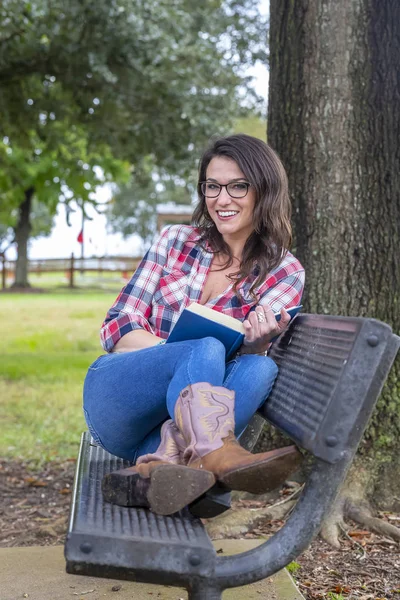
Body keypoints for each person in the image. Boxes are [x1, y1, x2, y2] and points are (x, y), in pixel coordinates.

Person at [83, 134, 305, 516]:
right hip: (119, 399)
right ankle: (216, 456)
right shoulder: (175, 241)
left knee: (260, 366)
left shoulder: (284, 272)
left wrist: (257, 344)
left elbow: (245, 362)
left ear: (264, 191)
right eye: (212, 186)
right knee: (206, 347)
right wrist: (180, 356)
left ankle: (163, 463)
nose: (222, 200)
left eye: (238, 186)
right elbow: (117, 325)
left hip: (159, 432)